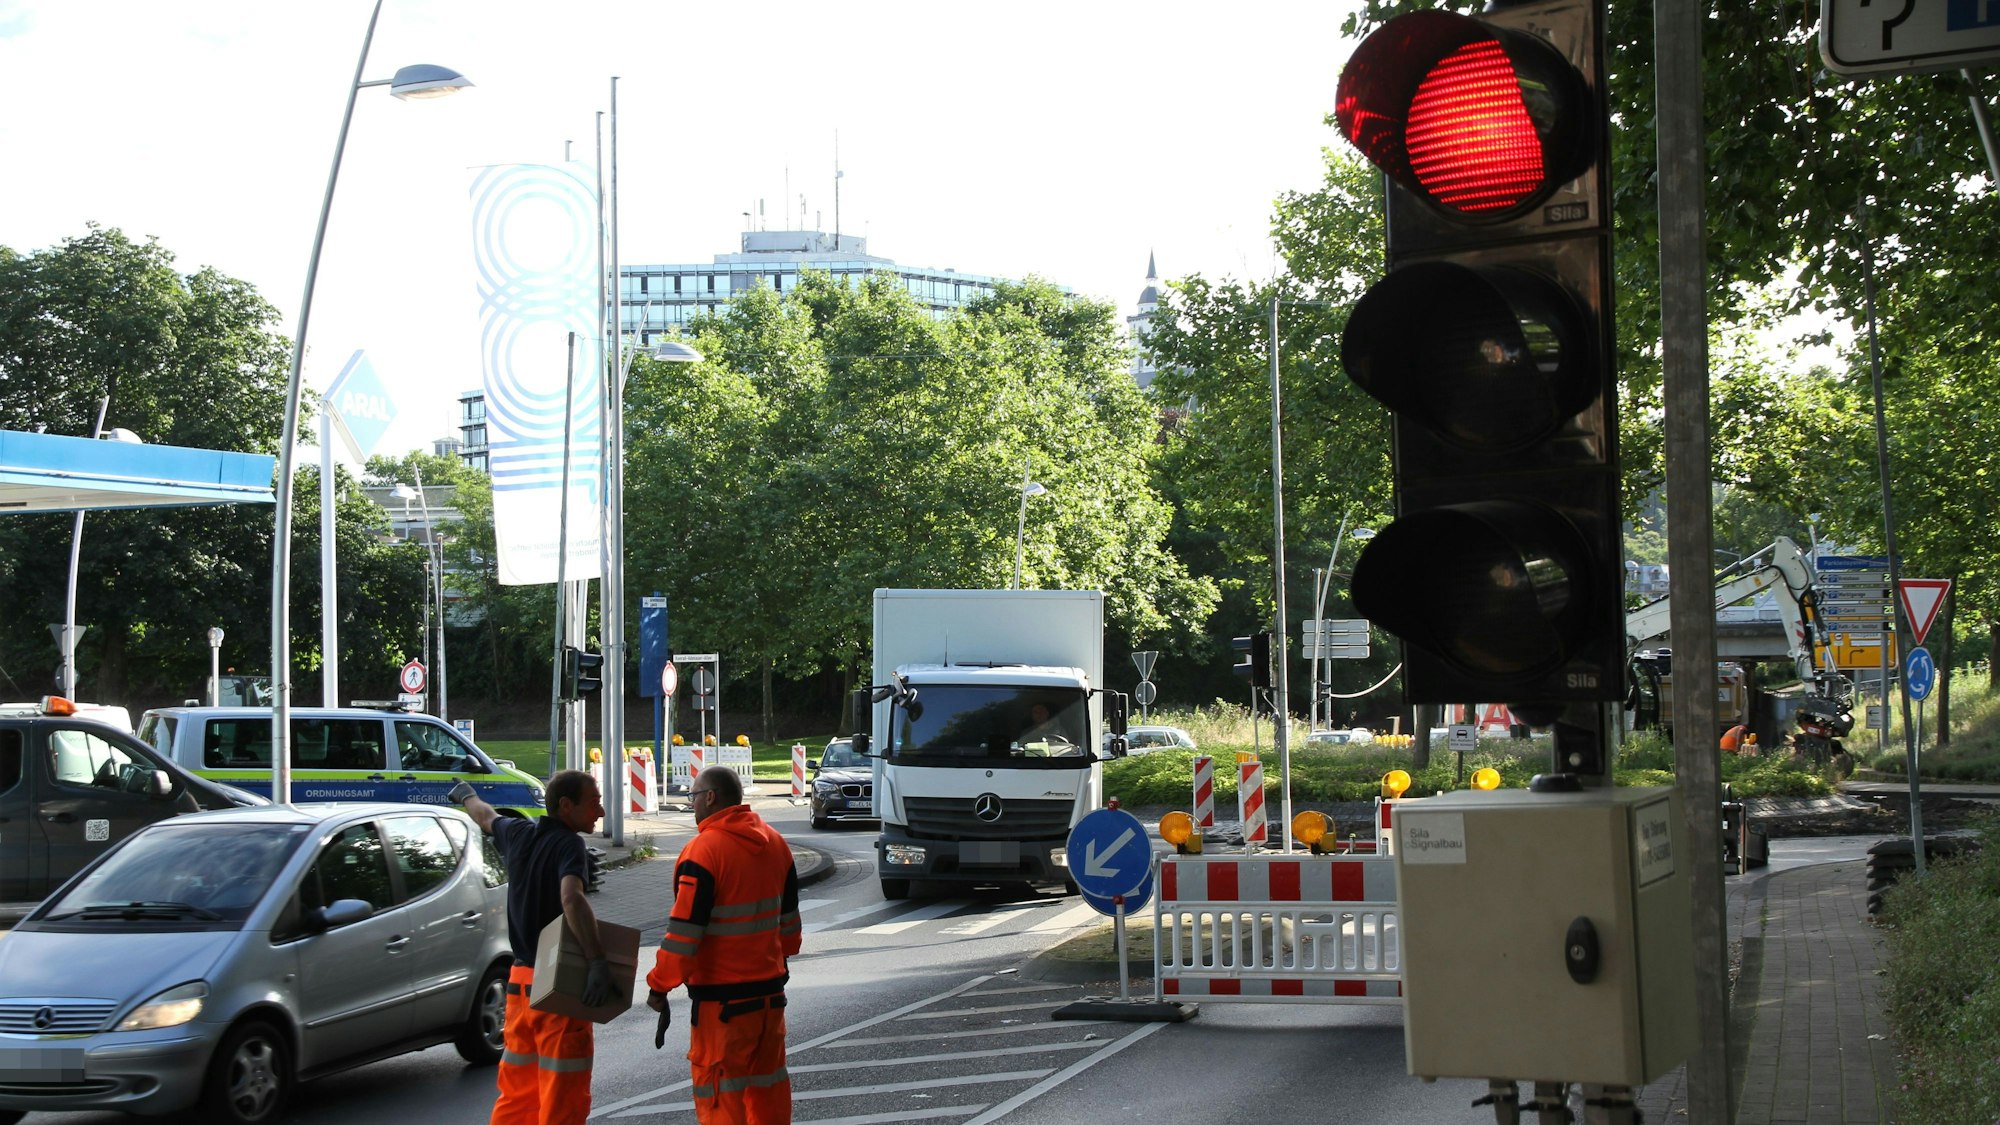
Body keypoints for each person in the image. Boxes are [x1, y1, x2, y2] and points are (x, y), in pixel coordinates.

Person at [456, 770, 613, 1125]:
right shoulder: (569, 845)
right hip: (556, 982)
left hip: (519, 984)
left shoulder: (518, 833)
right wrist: (597, 961)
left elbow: (484, 815)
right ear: (565, 805)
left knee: (518, 1094)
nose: (600, 811)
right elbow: (571, 898)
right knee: (563, 1098)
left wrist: (465, 794)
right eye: (594, 803)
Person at [647, 766, 801, 1125]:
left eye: (693, 796)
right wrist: (778, 962)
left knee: (720, 1101)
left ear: (710, 797)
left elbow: (684, 935)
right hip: (769, 1000)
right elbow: (790, 927)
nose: (692, 804)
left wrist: (658, 985)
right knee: (768, 1094)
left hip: (723, 1007)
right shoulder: (776, 843)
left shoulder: (704, 851)